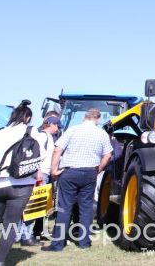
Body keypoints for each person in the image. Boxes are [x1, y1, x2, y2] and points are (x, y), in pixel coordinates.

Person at [0, 101, 45, 266]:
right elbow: (41, 156)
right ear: (27, 117)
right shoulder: (33, 132)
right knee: (10, 226)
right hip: (22, 184)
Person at [43, 108, 113, 252]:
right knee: (86, 208)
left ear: (84, 117)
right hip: (89, 172)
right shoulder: (102, 134)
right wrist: (97, 170)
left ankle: (58, 244)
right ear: (97, 119)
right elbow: (108, 155)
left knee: (64, 207)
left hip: (70, 171)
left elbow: (57, 150)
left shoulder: (73, 130)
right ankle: (84, 242)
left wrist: (54, 170)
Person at [15, 114, 61, 246]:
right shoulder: (42, 137)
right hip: (40, 175)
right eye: (57, 126)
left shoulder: (46, 137)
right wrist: (39, 172)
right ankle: (26, 236)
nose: (58, 129)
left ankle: (19, 235)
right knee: (34, 206)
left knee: (29, 205)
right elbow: (35, 155)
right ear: (51, 124)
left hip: (40, 174)